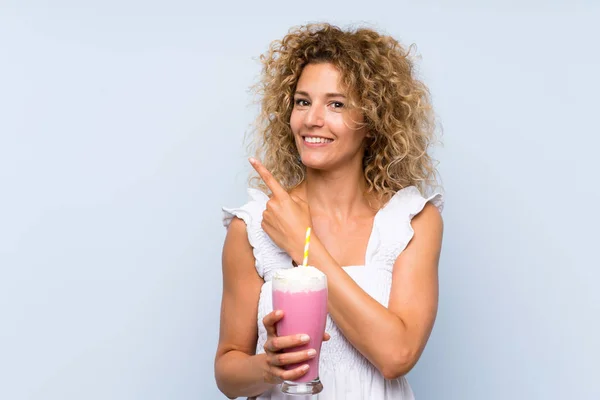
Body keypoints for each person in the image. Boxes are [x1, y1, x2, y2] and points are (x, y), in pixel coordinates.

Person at [214, 22, 444, 400]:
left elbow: (396, 355)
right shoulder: (254, 225)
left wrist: (302, 244)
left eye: (336, 104)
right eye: (303, 101)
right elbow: (227, 372)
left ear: (372, 121)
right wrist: (267, 367)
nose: (311, 119)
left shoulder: (412, 221)